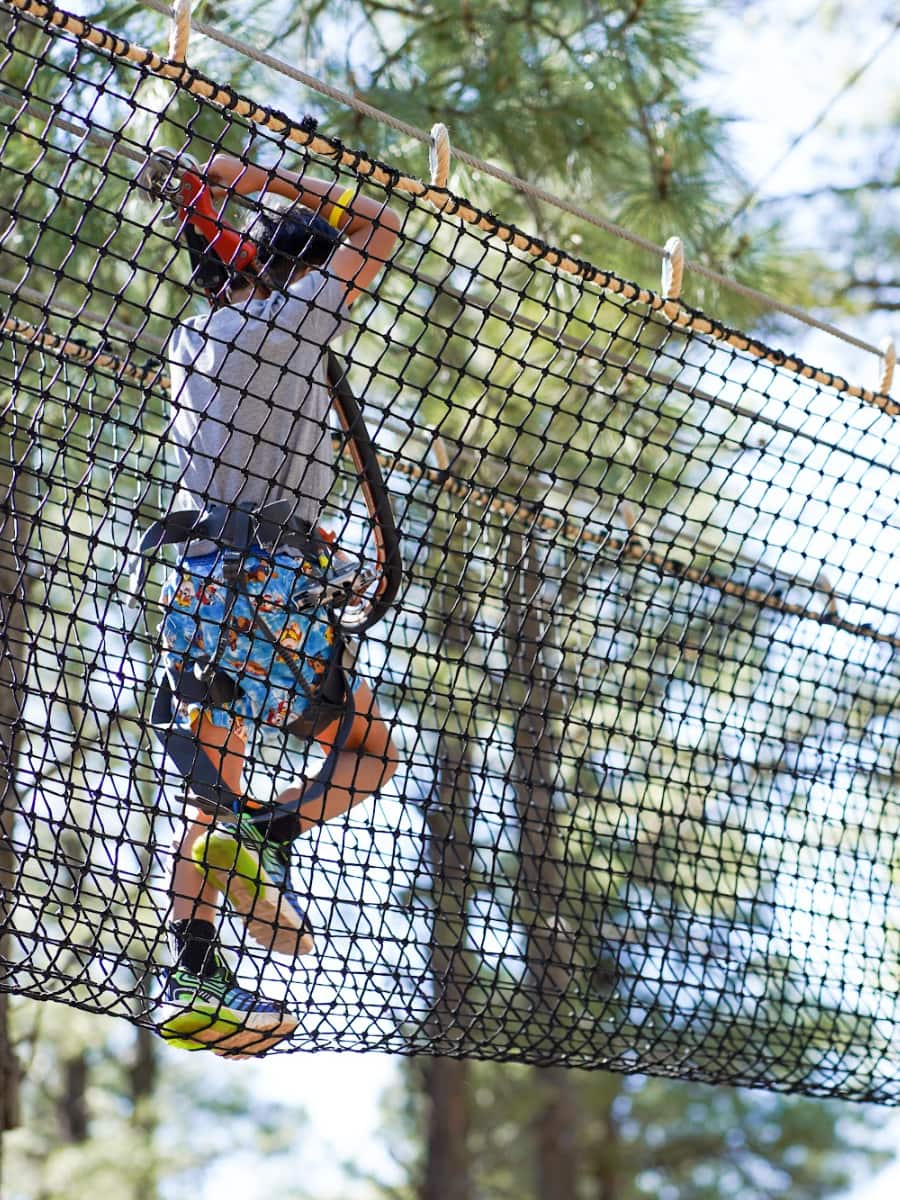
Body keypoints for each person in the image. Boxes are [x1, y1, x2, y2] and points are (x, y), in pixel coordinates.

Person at [146, 153, 401, 1057]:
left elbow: (242, 463)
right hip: (269, 590)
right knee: (369, 752)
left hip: (201, 585)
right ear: (304, 270)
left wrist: (213, 213)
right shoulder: (294, 319)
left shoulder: (191, 338)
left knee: (211, 786)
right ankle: (271, 834)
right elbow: (380, 224)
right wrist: (252, 174)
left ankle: (193, 976)